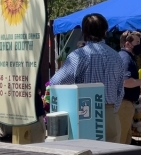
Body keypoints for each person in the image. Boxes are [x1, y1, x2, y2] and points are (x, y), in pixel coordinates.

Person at [49, 13, 126, 142]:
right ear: (105, 31)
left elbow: (56, 81)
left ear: (84, 32)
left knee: (87, 154)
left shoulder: (79, 56)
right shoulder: (116, 56)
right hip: (110, 114)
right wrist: (111, 110)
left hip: (85, 115)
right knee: (111, 154)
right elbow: (120, 90)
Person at [117, 31, 141, 145]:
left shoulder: (122, 56)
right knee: (122, 140)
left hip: (122, 103)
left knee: (126, 137)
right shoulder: (126, 59)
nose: (139, 45)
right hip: (124, 104)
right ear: (127, 44)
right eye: (137, 42)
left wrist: (136, 88)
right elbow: (125, 81)